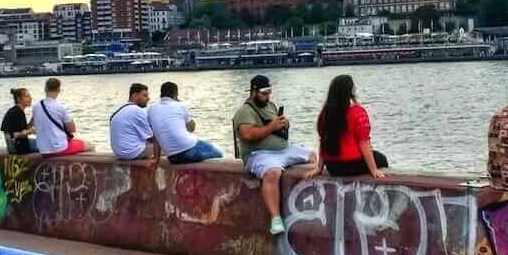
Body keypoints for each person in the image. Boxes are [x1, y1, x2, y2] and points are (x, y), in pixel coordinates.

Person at [233, 75, 315, 235]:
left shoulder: (270, 105)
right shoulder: (245, 111)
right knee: (273, 172)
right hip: (258, 154)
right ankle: (276, 218)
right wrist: (272, 126)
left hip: (282, 150)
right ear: (254, 91)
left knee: (312, 156)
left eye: (269, 93)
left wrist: (284, 124)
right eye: (264, 93)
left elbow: (275, 124)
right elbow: (248, 135)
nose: (267, 97)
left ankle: (308, 205)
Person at [306, 75, 388, 179]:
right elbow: (364, 143)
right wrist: (373, 170)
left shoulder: (325, 113)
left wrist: (319, 168)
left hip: (332, 167)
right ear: (350, 91)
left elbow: (323, 141)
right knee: (382, 158)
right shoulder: (358, 112)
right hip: (352, 164)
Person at [147, 82, 222, 165]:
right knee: (218, 152)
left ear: (161, 94)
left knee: (202, 144)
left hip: (172, 158)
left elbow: (155, 138)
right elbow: (191, 128)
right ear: (176, 94)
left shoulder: (151, 110)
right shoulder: (180, 106)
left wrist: (156, 159)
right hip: (188, 151)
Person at [31, 78, 93, 156]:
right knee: (90, 146)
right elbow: (72, 129)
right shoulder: (61, 107)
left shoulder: (35, 107)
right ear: (59, 90)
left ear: (45, 89)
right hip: (59, 148)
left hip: (43, 149)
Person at [110, 83, 154, 161]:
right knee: (170, 147)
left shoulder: (121, 109)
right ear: (134, 95)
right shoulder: (137, 111)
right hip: (132, 153)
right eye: (145, 95)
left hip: (119, 153)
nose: (148, 98)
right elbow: (151, 138)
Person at [1, 88, 38, 155]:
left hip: (21, 144)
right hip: (16, 148)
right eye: (27, 96)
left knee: (44, 143)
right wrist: (30, 131)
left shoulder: (19, 111)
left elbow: (23, 129)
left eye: (30, 96)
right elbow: (16, 135)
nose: (30, 98)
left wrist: (34, 118)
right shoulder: (15, 112)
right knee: (46, 145)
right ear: (18, 99)